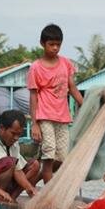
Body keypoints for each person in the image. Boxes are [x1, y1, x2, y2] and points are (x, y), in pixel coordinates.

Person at [27, 24, 84, 183]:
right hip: (44, 116)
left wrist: (85, 105)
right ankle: (48, 196)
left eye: (58, 45)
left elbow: (72, 88)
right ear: (42, 44)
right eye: (51, 44)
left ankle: (36, 179)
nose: (55, 48)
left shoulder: (65, 63)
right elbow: (33, 96)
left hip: (63, 117)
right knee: (49, 154)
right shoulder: (36, 68)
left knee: (62, 158)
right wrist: (34, 124)